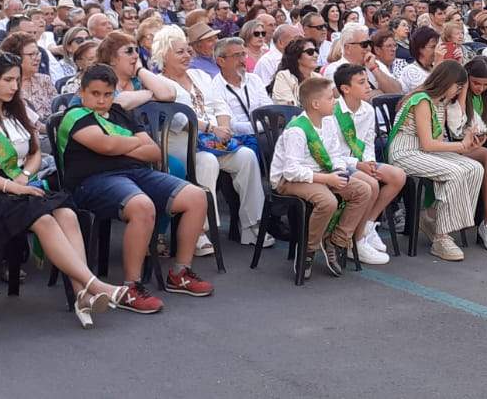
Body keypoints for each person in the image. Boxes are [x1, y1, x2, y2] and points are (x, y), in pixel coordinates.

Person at [0, 52, 127, 324]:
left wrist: (24, 176)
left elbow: (35, 153)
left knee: (67, 214)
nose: (14, 86)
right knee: (44, 220)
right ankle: (95, 285)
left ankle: (81, 294)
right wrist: (14, 186)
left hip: (22, 183)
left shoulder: (17, 112)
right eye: (7, 80)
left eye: (16, 80)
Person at [61, 64, 214, 304]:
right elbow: (105, 146)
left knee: (196, 197)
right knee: (142, 205)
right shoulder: (76, 116)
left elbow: (154, 152)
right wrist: (132, 142)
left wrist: (118, 144)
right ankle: (131, 286)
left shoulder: (121, 113)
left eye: (107, 94)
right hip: (93, 182)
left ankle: (180, 272)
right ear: (82, 92)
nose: (101, 100)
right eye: (95, 94)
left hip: (135, 174)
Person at [147, 26, 266, 254]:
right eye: (179, 52)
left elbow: (219, 104)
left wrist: (222, 125)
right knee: (207, 162)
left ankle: (252, 225)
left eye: (187, 51)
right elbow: (178, 120)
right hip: (183, 144)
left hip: (215, 141)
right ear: (164, 56)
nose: (187, 56)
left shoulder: (200, 76)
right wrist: (211, 128)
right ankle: (200, 230)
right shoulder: (161, 84)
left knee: (246, 156)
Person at [268, 76, 382, 277]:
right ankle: (308, 250)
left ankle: (337, 241)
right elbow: (291, 171)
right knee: (327, 201)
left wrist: (337, 171)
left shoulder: (328, 122)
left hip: (321, 173)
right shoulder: (297, 129)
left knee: (363, 190)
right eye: (330, 98)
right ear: (315, 104)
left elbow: (336, 154)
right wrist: (327, 180)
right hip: (291, 181)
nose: (335, 102)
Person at [386, 62, 484, 261]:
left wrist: (467, 147)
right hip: (405, 151)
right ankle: (441, 237)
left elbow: (437, 142)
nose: (458, 92)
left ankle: (434, 219)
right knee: (455, 172)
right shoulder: (421, 100)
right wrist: (461, 147)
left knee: (475, 168)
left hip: (423, 151)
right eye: (457, 87)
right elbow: (428, 144)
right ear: (446, 83)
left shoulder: (439, 102)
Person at [328, 64, 404, 261]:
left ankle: (369, 225)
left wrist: (369, 161)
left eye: (367, 81)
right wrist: (357, 164)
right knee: (370, 184)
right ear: (345, 88)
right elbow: (331, 152)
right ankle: (357, 240)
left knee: (397, 176)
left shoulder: (368, 110)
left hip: (361, 162)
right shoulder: (333, 113)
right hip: (341, 165)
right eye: (361, 83)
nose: (368, 86)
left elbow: (369, 142)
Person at [270, 37, 319, 107]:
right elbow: (290, 109)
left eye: (316, 51)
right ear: (297, 57)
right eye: (310, 52)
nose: (316, 55)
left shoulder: (318, 78)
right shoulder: (284, 76)